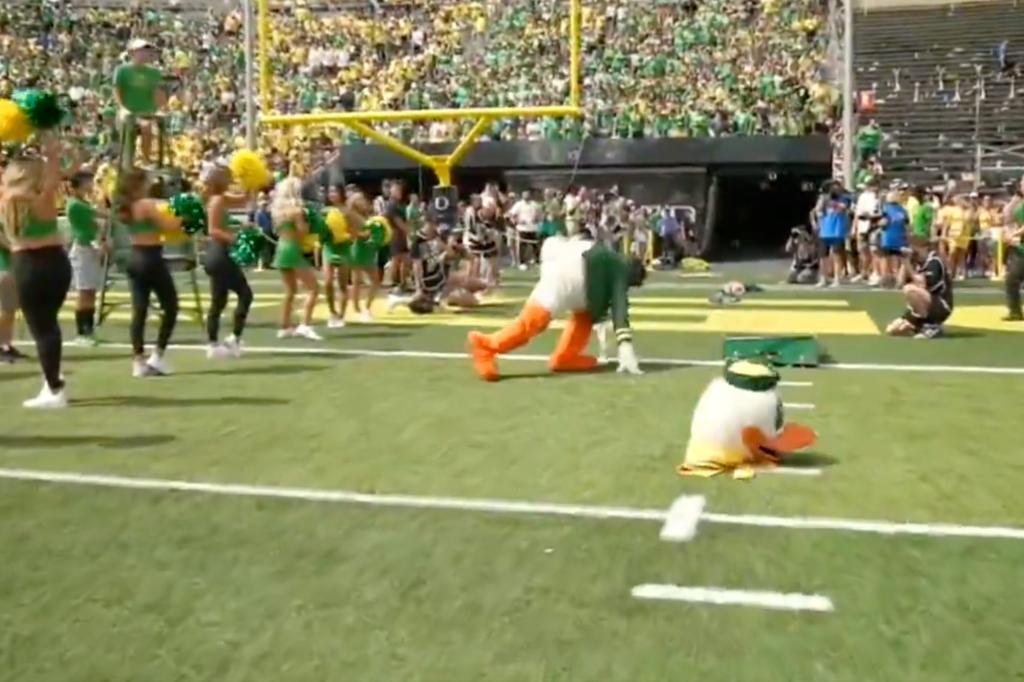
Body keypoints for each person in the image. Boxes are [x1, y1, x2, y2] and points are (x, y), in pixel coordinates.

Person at [467, 236, 646, 382]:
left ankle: (566, 356)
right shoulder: (618, 268)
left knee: (585, 317)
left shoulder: (608, 259)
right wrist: (625, 343)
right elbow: (619, 305)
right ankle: (487, 345)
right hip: (564, 279)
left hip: (573, 278)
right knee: (534, 321)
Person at [1, 136, 71, 406]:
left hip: (28, 265)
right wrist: (52, 155)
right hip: (57, 263)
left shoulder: (7, 201)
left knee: (42, 329)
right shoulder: (41, 200)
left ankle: (54, 389)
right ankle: (52, 379)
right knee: (50, 325)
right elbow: (54, 179)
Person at [118, 168, 181, 377]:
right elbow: (169, 226)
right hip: (151, 258)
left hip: (135, 257)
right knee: (171, 306)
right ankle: (158, 356)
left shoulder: (127, 207)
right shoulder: (145, 205)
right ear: (139, 184)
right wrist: (183, 214)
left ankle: (138, 361)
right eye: (146, 180)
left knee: (139, 310)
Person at [203, 165, 254, 358]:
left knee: (218, 301)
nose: (230, 179)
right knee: (245, 294)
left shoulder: (222, 198)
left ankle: (213, 345)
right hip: (219, 254)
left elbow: (245, 199)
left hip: (217, 255)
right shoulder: (216, 201)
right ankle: (234, 339)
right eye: (227, 177)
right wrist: (235, 238)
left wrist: (251, 181)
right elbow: (213, 230)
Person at [271, 177, 321, 339]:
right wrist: (308, 224)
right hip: (292, 248)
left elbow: (276, 232)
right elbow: (302, 232)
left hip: (281, 248)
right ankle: (305, 325)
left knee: (290, 291)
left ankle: (285, 327)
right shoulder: (297, 211)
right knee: (313, 288)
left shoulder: (277, 212)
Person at [66, 172, 105, 346]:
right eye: (88, 182)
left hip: (90, 248)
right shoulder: (75, 205)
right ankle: (82, 332)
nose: (91, 185)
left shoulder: (83, 202)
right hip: (82, 250)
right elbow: (101, 214)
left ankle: (89, 330)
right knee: (84, 292)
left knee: (90, 291)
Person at [885, 237, 953, 339]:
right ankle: (917, 325)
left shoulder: (935, 262)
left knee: (910, 289)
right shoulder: (917, 263)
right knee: (892, 329)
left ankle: (932, 326)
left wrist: (908, 267)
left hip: (940, 305)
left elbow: (923, 284)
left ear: (924, 248)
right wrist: (905, 263)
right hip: (923, 303)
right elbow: (900, 283)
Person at [114, 39, 167, 165]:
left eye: (147, 51)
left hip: (147, 112)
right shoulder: (122, 70)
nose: (145, 54)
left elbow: (157, 93)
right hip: (128, 113)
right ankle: (127, 162)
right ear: (133, 53)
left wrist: (162, 107)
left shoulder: (154, 72)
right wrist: (122, 108)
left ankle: (146, 159)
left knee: (147, 126)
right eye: (142, 51)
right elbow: (117, 91)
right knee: (130, 132)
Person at [323, 184, 351, 328]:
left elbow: (355, 229)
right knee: (327, 283)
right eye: (330, 191)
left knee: (342, 285)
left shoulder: (347, 211)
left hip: (344, 248)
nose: (332, 194)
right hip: (328, 248)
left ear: (341, 193)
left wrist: (347, 236)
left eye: (335, 191)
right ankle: (332, 312)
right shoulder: (324, 211)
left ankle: (341, 315)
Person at [816, 181, 851, 288]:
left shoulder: (844, 199)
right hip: (825, 232)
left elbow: (844, 208)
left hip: (838, 231)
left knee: (837, 256)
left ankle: (837, 279)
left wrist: (833, 203)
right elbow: (818, 211)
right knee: (823, 257)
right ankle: (823, 278)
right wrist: (820, 220)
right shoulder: (824, 199)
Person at [851, 179, 880, 284]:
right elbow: (858, 214)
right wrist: (854, 228)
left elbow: (879, 213)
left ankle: (875, 272)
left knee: (874, 251)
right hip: (863, 226)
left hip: (875, 227)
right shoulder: (863, 196)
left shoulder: (879, 197)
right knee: (862, 251)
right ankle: (864, 272)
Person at [878, 191, 909, 286]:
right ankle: (898, 279)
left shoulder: (885, 209)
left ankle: (885, 279)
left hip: (888, 237)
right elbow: (907, 224)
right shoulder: (903, 210)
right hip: (900, 237)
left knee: (885, 258)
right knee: (900, 259)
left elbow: (882, 223)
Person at [1002, 186, 1024, 320]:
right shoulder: (1018, 206)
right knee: (1012, 280)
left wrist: (1014, 234)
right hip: (1020, 249)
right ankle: (1015, 311)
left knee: (1012, 280)